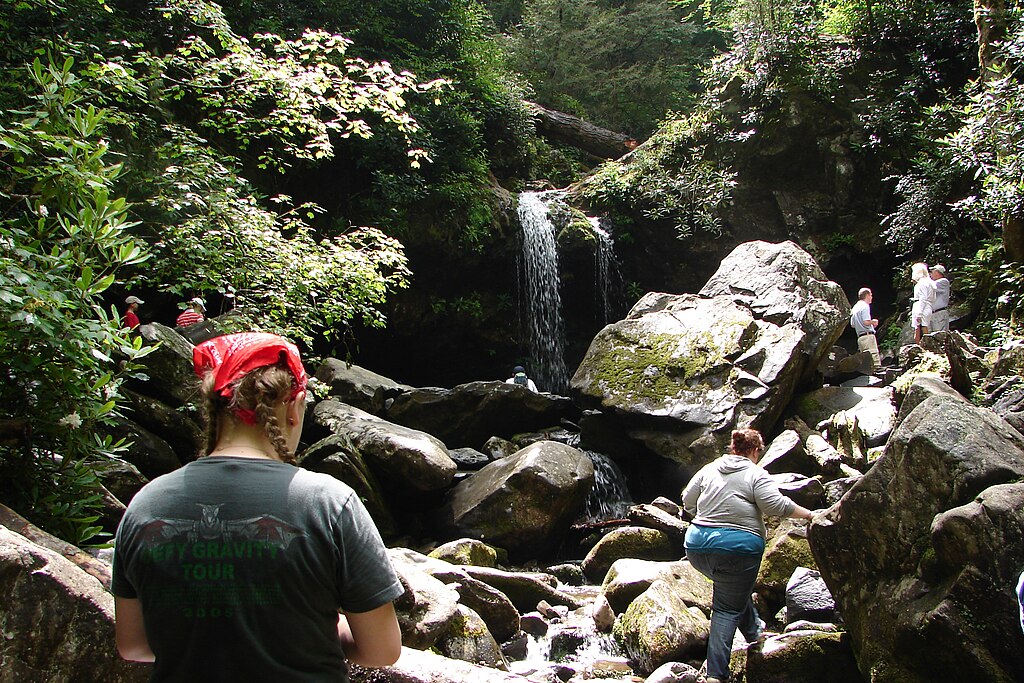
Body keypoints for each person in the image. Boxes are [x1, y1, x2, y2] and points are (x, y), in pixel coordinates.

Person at [112, 332, 404, 681]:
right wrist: (318, 629)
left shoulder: (145, 504)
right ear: (294, 408)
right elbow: (382, 650)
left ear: (213, 409)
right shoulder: (330, 504)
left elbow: (132, 646)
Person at [681, 429, 815, 683]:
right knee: (726, 608)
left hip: (697, 547)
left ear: (734, 448)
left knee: (733, 590)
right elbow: (776, 506)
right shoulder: (755, 473)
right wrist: (808, 514)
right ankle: (715, 674)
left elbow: (688, 498)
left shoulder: (710, 468)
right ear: (755, 451)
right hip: (737, 549)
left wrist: (697, 512)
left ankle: (754, 634)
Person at [850, 287, 880, 372]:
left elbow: (852, 325)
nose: (872, 297)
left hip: (860, 338)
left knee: (866, 363)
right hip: (868, 337)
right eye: (871, 295)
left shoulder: (855, 308)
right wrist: (873, 322)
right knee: (875, 363)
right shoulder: (865, 306)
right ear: (867, 295)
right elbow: (866, 322)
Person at [910, 262, 936, 344]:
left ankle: (921, 347)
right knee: (922, 328)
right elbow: (933, 298)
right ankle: (924, 347)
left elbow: (923, 298)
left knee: (920, 329)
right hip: (927, 306)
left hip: (921, 307)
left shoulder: (922, 283)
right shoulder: (930, 282)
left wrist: (919, 313)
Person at [930, 264, 951, 332]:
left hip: (939, 313)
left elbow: (930, 286)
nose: (930, 274)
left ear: (937, 272)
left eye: (932, 272)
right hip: (932, 314)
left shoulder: (944, 281)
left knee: (940, 336)